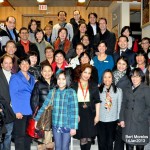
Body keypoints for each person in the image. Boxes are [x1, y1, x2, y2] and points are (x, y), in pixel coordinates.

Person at [35, 69, 78, 150]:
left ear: (67, 80)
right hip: (55, 125)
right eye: (59, 79)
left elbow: (74, 111)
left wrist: (74, 127)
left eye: (63, 79)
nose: (60, 81)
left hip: (67, 125)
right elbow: (44, 106)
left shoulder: (71, 92)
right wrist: (37, 119)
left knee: (65, 147)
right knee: (57, 147)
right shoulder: (53, 91)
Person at [120, 68, 150, 150]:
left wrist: (141, 117)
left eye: (137, 76)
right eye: (132, 76)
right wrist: (121, 119)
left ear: (141, 77)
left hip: (141, 123)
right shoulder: (127, 89)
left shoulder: (146, 89)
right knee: (129, 146)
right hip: (128, 121)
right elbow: (123, 104)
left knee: (140, 146)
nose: (134, 78)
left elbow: (149, 107)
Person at [72, 63, 100, 150]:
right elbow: (72, 102)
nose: (87, 75)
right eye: (85, 72)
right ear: (80, 72)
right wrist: (75, 114)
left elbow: (97, 101)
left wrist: (97, 116)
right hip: (79, 113)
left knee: (88, 137)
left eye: (89, 73)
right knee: (83, 137)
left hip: (90, 113)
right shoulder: (74, 85)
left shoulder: (93, 85)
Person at [9, 56, 35, 150]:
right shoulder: (15, 77)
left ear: (29, 64)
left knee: (28, 136)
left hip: (30, 110)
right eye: (22, 63)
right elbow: (13, 94)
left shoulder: (32, 77)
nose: (25, 65)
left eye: (27, 63)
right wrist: (16, 111)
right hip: (20, 110)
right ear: (19, 65)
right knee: (19, 137)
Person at [31, 63, 56, 150]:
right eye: (45, 71)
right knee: (41, 138)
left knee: (50, 137)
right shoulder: (38, 84)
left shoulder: (56, 83)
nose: (47, 73)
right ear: (41, 72)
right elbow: (34, 100)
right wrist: (36, 114)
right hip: (42, 113)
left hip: (54, 113)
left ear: (52, 72)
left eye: (49, 71)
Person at [97, 69, 122, 150]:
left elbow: (119, 106)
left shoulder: (118, 91)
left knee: (110, 142)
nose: (107, 79)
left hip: (112, 120)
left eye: (109, 77)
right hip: (101, 120)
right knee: (101, 142)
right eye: (105, 77)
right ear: (102, 79)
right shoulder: (98, 91)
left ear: (112, 79)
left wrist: (119, 119)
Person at [113, 56, 131, 150]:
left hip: (121, 108)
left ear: (127, 66)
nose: (121, 66)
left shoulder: (129, 78)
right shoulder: (111, 75)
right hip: (111, 107)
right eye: (119, 63)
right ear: (116, 64)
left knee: (119, 135)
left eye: (123, 64)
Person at [0, 54, 15, 150]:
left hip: (10, 112)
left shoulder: (15, 76)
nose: (8, 65)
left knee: (8, 136)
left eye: (10, 63)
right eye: (6, 63)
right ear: (1, 64)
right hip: (1, 110)